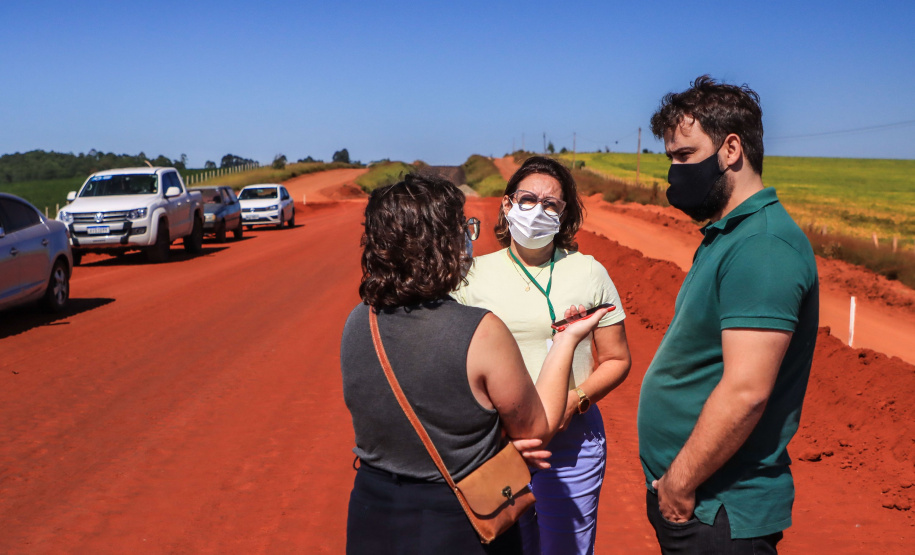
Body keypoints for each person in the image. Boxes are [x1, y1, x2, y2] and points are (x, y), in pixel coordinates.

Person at [341, 173, 608, 555]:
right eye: (463, 228)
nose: (470, 238)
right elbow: (537, 428)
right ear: (440, 244)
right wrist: (565, 341)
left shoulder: (358, 320)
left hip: (373, 512)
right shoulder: (480, 330)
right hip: (457, 522)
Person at [637, 75, 820, 553]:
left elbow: (745, 392)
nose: (674, 173)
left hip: (718, 511)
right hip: (702, 505)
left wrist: (678, 484)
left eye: (684, 156)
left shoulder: (762, 246)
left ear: (731, 149)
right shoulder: (731, 236)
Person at [454, 156, 632, 554]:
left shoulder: (589, 272)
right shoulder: (472, 277)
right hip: (496, 445)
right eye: (528, 199)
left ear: (564, 213)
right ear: (507, 205)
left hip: (572, 445)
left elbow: (618, 359)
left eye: (551, 204)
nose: (538, 210)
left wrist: (576, 399)